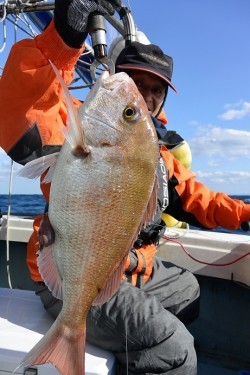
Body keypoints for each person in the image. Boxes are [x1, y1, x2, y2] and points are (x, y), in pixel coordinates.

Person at [0, 1, 250, 374]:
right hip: (71, 276)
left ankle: (134, 347)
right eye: (136, 81)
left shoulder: (157, 158)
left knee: (188, 289)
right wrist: (63, 41)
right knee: (178, 349)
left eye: (156, 90)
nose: (145, 96)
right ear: (115, 74)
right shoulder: (76, 124)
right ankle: (107, 331)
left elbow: (204, 201)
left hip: (127, 271)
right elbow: (21, 109)